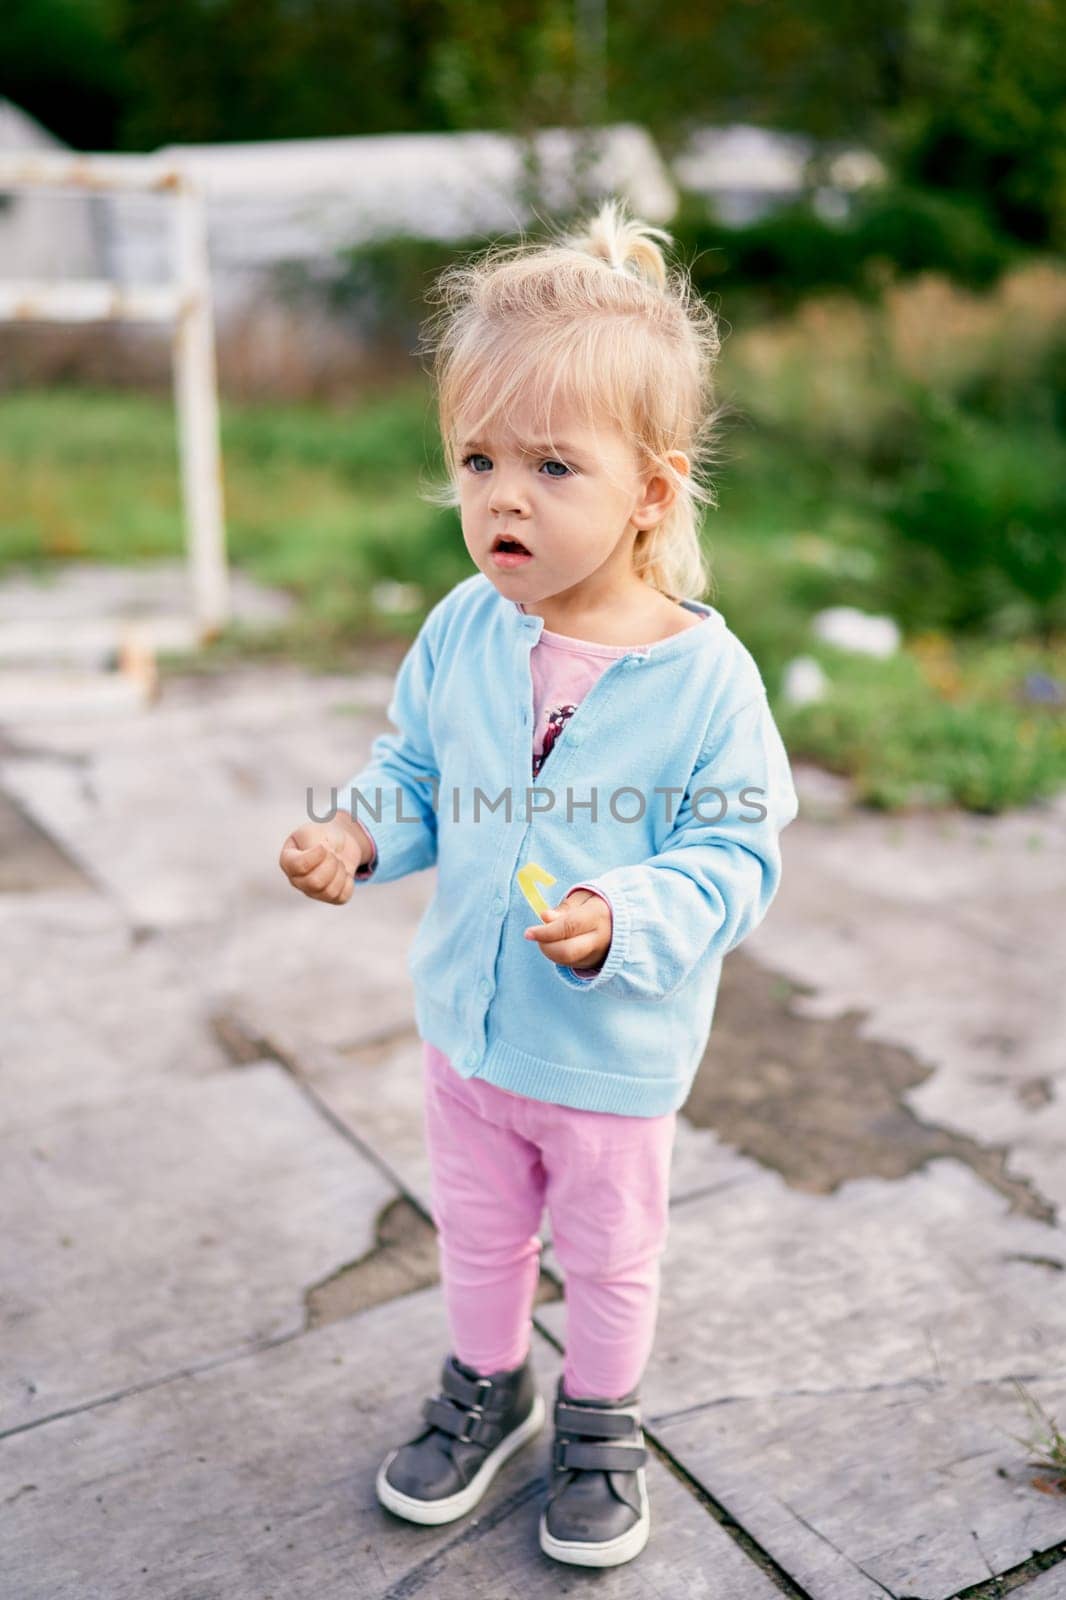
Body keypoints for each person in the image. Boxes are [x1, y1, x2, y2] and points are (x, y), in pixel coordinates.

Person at [278, 196, 800, 1570]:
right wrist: (355, 835)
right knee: (480, 1236)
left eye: (551, 466)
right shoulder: (463, 629)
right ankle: (487, 1382)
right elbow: (413, 773)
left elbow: (737, 855)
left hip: (610, 1055)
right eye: (475, 458)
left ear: (652, 489)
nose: (501, 495)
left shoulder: (704, 680)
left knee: (611, 1255)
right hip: (469, 1035)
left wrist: (622, 917)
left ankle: (597, 1416)